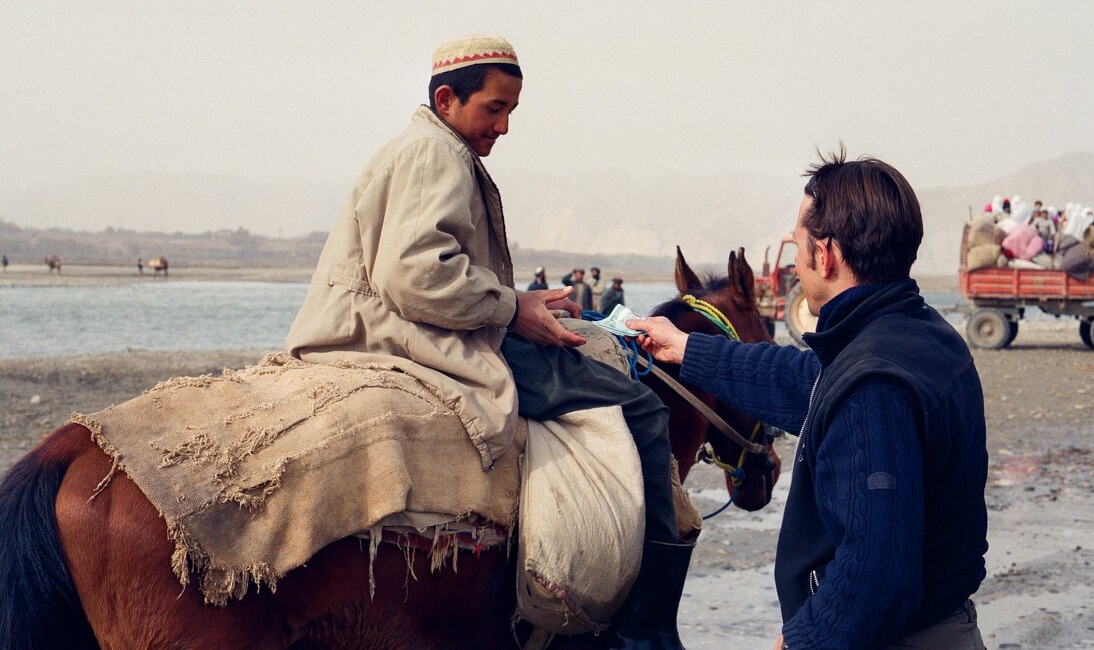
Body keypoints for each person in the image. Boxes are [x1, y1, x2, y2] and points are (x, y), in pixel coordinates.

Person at [285, 36, 688, 646]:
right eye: (493, 109)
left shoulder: (425, 146)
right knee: (645, 411)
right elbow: (417, 273)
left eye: (510, 113)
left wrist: (518, 303)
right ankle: (648, 629)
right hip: (406, 334)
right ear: (448, 99)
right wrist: (513, 308)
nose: (503, 127)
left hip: (406, 323)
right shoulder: (436, 153)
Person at [630, 148, 988, 650]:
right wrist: (688, 348)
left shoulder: (872, 387)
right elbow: (805, 379)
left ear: (826, 255)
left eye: (799, 246)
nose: (796, 262)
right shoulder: (920, 335)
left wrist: (803, 641)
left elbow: (877, 574)